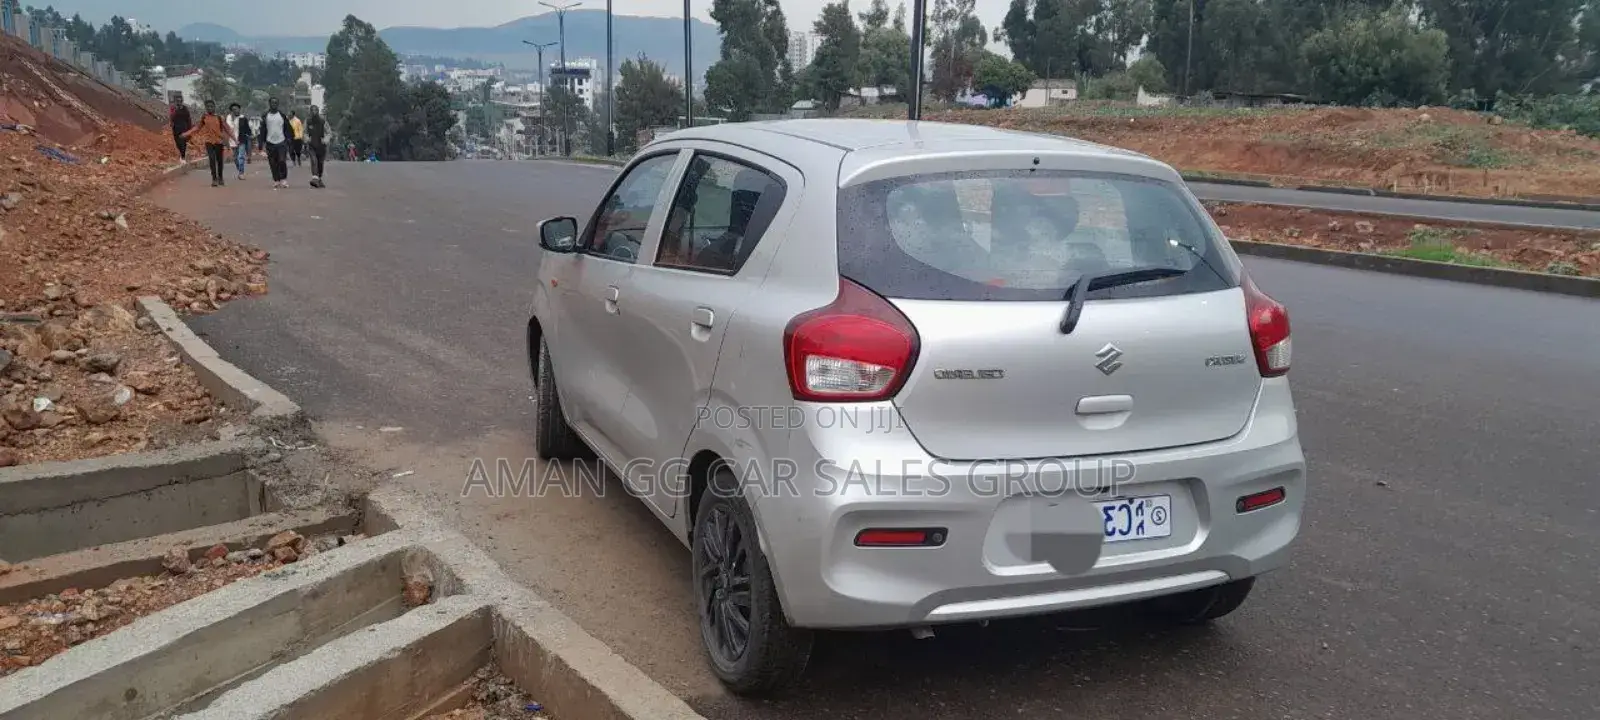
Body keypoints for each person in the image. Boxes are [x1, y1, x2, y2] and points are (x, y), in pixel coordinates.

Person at [181, 99, 235, 187]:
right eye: (208, 107)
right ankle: (214, 179)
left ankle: (220, 177)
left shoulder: (219, 117)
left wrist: (235, 140)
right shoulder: (204, 117)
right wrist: (186, 133)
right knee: (212, 159)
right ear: (206, 108)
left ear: (214, 107)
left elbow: (227, 129)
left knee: (219, 161)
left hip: (219, 142)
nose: (210, 108)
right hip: (209, 141)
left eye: (211, 106)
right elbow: (197, 128)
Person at [259, 98, 293, 189]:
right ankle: (276, 180)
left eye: (275, 103)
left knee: (282, 161)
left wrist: (289, 139)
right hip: (270, 142)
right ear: (269, 104)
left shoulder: (282, 115)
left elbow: (288, 128)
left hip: (281, 142)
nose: (274, 104)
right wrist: (261, 145)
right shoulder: (265, 116)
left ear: (278, 104)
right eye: (272, 103)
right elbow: (262, 131)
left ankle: (283, 179)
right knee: (273, 163)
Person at [305, 104, 328, 188]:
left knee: (320, 163)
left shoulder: (323, 121)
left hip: (321, 146)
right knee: (314, 161)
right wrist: (307, 139)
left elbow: (329, 132)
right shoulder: (308, 121)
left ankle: (319, 179)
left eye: (315, 110)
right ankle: (315, 178)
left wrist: (325, 140)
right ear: (310, 112)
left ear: (318, 111)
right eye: (312, 110)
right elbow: (304, 132)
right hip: (312, 145)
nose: (314, 112)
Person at [227, 103, 252, 180]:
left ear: (239, 109)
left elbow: (247, 129)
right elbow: (227, 128)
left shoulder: (243, 118)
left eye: (237, 109)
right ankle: (240, 170)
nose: (236, 111)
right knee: (235, 158)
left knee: (241, 156)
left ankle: (241, 173)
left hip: (241, 140)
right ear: (231, 111)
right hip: (232, 140)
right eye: (234, 109)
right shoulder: (228, 118)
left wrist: (250, 135)